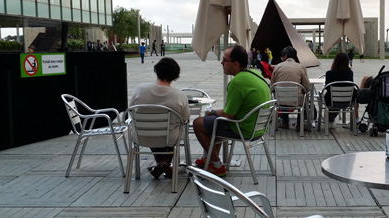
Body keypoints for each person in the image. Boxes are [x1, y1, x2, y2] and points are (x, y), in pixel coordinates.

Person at [193, 45, 271, 176]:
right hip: (259, 128)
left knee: (198, 123)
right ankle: (209, 160)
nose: (221, 63)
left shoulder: (237, 82)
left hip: (243, 129)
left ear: (235, 64)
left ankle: (217, 166)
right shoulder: (255, 74)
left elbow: (228, 114)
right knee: (214, 123)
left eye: (225, 60)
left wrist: (212, 112)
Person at [129, 57, 190, 179]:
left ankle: (161, 163)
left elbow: (130, 111)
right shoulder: (179, 95)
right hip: (169, 137)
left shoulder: (140, 89)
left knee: (151, 126)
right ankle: (165, 163)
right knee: (173, 129)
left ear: (156, 71)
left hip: (141, 136)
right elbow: (185, 118)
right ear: (175, 76)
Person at [270, 46, 311, 131]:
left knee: (282, 93)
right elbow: (307, 87)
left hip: (280, 100)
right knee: (305, 98)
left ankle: (285, 123)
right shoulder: (301, 67)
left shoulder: (277, 67)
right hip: (296, 100)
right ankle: (300, 124)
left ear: (285, 56)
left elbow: (272, 86)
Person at [324, 52, 354, 129]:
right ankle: (331, 120)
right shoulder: (350, 73)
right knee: (340, 99)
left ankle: (330, 120)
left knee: (329, 97)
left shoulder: (329, 73)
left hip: (331, 100)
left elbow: (327, 87)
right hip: (347, 100)